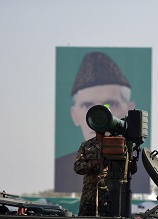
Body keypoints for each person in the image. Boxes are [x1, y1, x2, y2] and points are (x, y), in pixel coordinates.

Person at [55, 51, 150, 194]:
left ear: (128, 109)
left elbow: (132, 170)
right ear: (74, 115)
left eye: (110, 104)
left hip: (112, 198)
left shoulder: (125, 148)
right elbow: (78, 167)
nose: (102, 115)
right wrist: (95, 164)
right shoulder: (76, 154)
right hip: (90, 197)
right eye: (87, 105)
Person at [74, 131, 108, 216]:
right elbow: (77, 167)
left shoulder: (115, 145)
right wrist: (93, 164)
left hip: (108, 197)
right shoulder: (86, 145)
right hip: (89, 197)